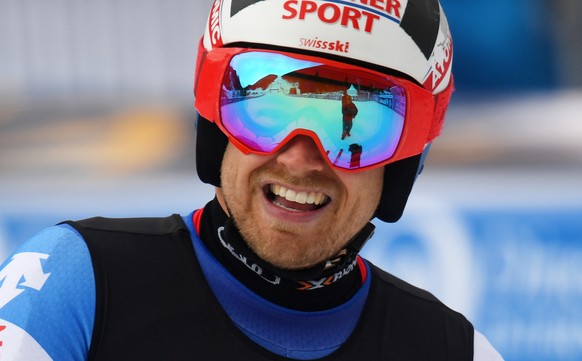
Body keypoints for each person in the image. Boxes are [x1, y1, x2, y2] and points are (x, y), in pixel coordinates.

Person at [0, 0, 503, 359]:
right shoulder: (72, 283)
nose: (302, 158)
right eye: (268, 105)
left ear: (403, 164)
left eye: (357, 126)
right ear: (212, 121)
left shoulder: (453, 349)